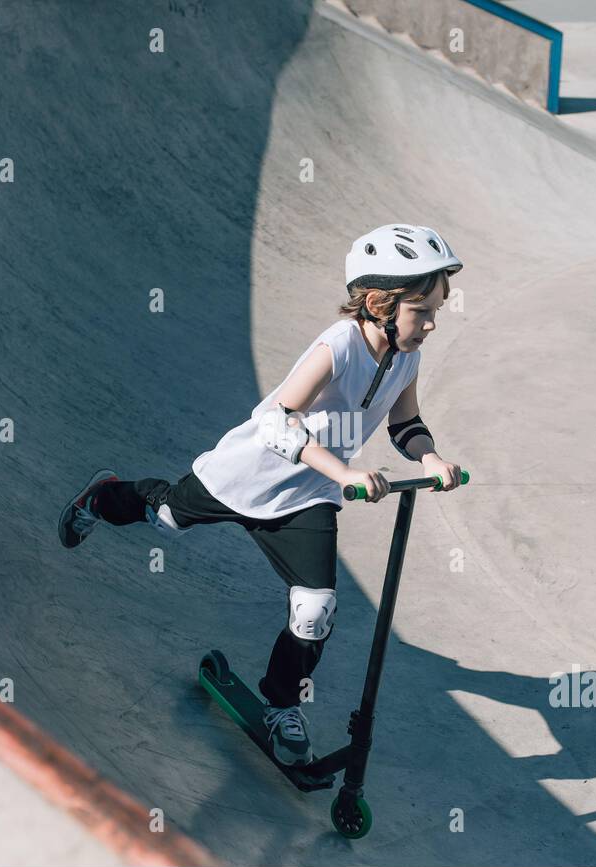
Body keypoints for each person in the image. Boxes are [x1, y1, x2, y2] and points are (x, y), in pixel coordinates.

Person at [57, 223, 466, 766]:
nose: (433, 323)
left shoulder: (406, 354)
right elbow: (275, 424)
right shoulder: (338, 345)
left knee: (315, 607)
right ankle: (103, 496)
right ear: (378, 303)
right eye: (423, 310)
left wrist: (430, 458)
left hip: (306, 496)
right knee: (167, 519)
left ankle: (281, 706)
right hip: (248, 474)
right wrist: (345, 474)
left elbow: (405, 420)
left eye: (437, 309)